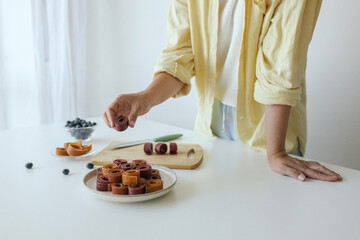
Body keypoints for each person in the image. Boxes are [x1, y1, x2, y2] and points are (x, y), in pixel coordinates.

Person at [103, 0, 342, 182]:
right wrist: (145, 98)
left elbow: (282, 63)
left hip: (269, 129)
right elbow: (180, 56)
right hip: (212, 123)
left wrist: (276, 152)